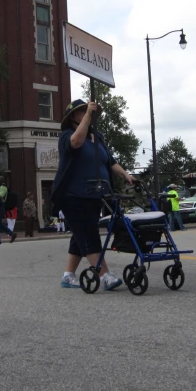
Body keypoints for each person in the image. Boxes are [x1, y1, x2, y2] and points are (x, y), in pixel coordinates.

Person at [51, 99, 135, 290]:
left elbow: (110, 162)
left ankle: (68, 276)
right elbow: (76, 142)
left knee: (81, 234)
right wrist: (88, 115)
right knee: (88, 234)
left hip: (96, 196)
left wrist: (126, 175)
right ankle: (105, 275)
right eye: (82, 111)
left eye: (89, 112)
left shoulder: (97, 138)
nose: (89, 115)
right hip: (73, 196)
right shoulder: (67, 135)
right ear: (73, 116)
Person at [0, 176, 17, 245]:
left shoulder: (3, 188)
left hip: (0, 205)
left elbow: (0, 197)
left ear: (0, 181)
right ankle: (12, 234)